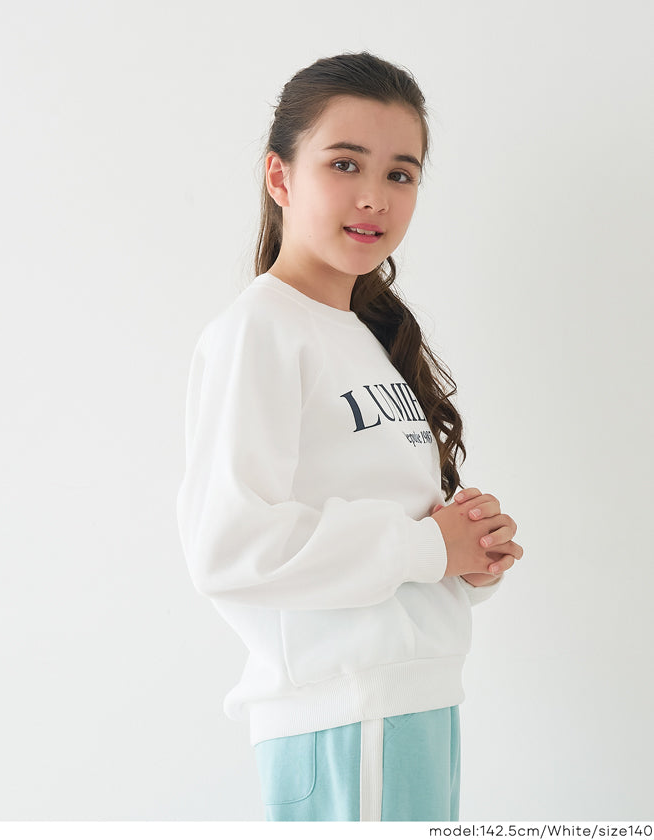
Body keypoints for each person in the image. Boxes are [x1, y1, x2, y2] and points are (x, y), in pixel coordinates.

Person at [176, 50, 523, 822]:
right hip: (347, 715)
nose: (374, 197)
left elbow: (395, 540)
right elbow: (229, 546)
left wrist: (469, 552)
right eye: (344, 164)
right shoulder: (259, 332)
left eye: (401, 174)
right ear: (280, 177)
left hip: (412, 700)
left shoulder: (366, 337)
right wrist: (429, 548)